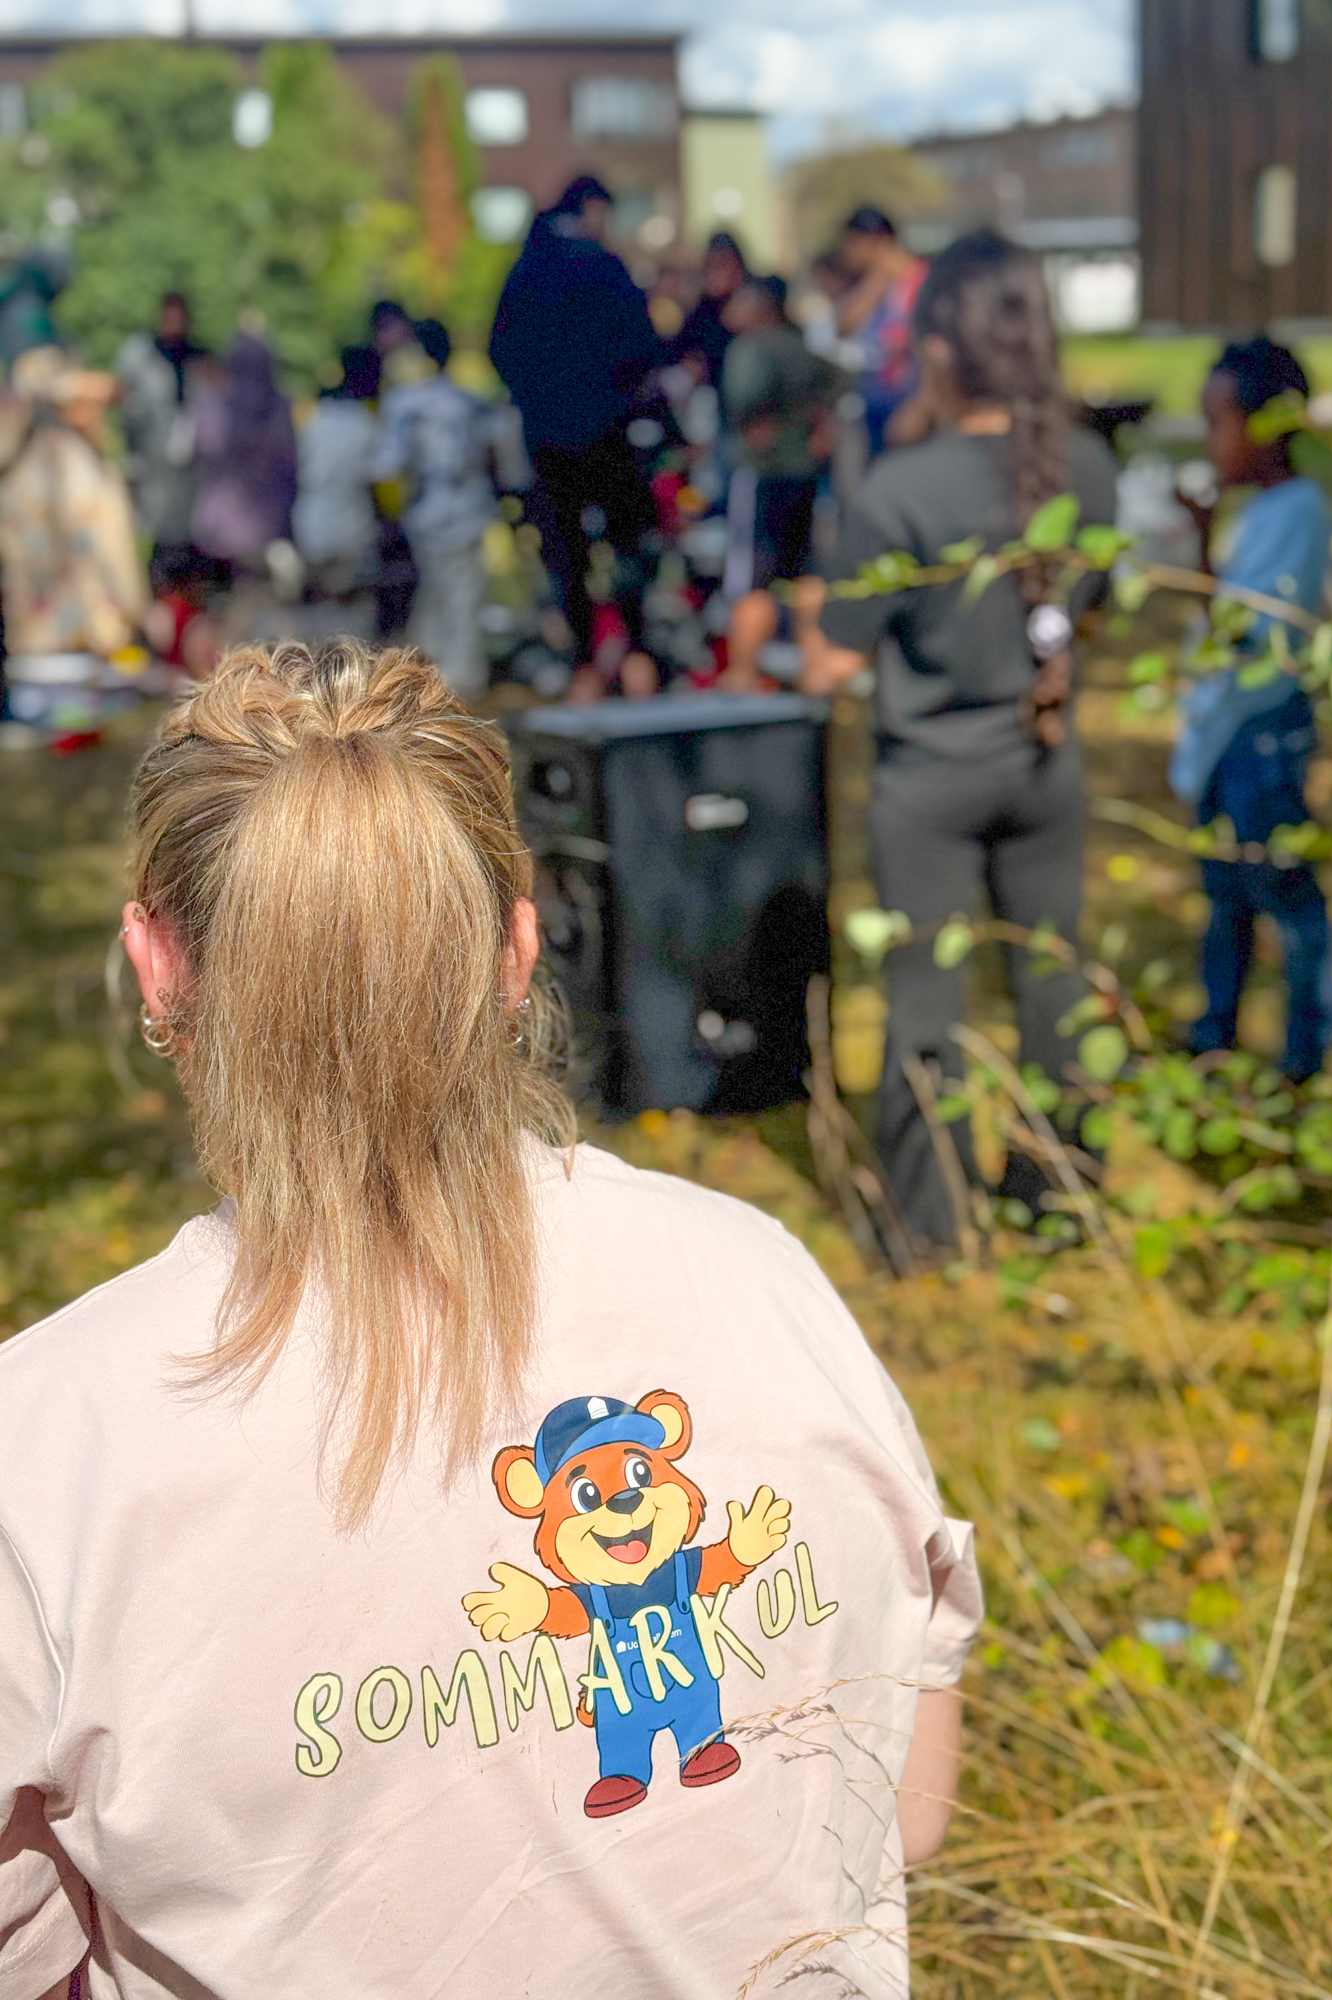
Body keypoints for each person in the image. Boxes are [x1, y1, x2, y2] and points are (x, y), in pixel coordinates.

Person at [0, 638, 980, 2000]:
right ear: (521, 948)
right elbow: (904, 1807)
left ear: (160, 967)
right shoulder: (761, 1279)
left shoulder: (48, 1450)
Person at [797, 229, 1116, 1249]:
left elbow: (835, 660)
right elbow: (1091, 609)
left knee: (925, 1002)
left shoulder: (899, 490)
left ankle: (932, 1229)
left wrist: (811, 602)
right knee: (1052, 984)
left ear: (937, 349)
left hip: (928, 783)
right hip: (1045, 763)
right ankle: (1060, 1193)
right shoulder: (1091, 467)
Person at [1168, 336, 1332, 1085]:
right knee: (1227, 893)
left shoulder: (1299, 513)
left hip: (1262, 737)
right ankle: (1217, 1032)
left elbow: (1245, 637)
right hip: (1233, 736)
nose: (1212, 443)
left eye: (1219, 423)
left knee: (1285, 896)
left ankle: (1305, 1054)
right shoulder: (1267, 511)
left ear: (1265, 427)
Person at [490, 176, 661, 674]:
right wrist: (616, 394)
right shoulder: (601, 266)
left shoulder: (524, 270)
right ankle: (637, 649)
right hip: (607, 431)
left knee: (567, 552)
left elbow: (501, 350)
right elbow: (640, 343)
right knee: (625, 539)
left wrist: (538, 399)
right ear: (591, 209)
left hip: (546, 437)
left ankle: (584, 658)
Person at [0, 345, 147, 735]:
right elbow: (118, 560)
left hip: (30, 653)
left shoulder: (13, 473)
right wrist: (132, 615)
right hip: (85, 650)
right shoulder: (88, 471)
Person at [717, 276, 844, 688]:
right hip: (804, 475)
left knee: (753, 577)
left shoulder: (751, 350)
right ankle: (817, 667)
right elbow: (840, 383)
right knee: (802, 573)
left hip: (763, 474)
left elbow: (745, 400)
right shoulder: (803, 349)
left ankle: (743, 673)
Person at [375, 317, 507, 701]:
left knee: (436, 595)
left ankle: (428, 679)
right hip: (466, 510)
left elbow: (386, 465)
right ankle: (458, 679)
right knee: (460, 596)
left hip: (426, 515)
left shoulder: (403, 403)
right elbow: (496, 454)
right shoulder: (470, 402)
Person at [189, 333, 297, 582]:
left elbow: (197, 450)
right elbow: (291, 463)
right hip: (267, 527)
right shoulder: (279, 406)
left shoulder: (214, 403)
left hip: (216, 531)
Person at [113, 293, 205, 572]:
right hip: (150, 456)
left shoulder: (198, 359)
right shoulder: (140, 354)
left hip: (191, 466)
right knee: (153, 527)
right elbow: (122, 399)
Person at [292, 344, 383, 612]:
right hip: (352, 532)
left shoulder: (315, 417)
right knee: (348, 613)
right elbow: (381, 478)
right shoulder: (367, 423)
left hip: (311, 528)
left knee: (318, 611)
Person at [836, 209, 927, 457]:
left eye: (851, 244)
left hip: (915, 418)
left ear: (876, 241)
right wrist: (878, 278)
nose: (846, 254)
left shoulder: (925, 283)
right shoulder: (873, 285)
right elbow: (843, 326)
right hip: (877, 414)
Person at [666, 231, 749, 392]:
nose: (716, 273)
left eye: (722, 265)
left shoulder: (750, 309)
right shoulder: (701, 313)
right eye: (710, 266)